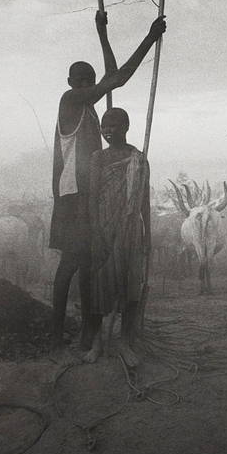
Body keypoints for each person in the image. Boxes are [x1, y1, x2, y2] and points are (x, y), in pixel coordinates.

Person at [49, 10, 165, 352]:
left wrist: (102, 33)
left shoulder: (87, 105)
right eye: (83, 82)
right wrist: (150, 37)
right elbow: (120, 79)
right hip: (72, 196)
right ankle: (60, 333)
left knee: (87, 263)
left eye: (89, 81)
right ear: (73, 84)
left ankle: (88, 330)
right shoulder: (70, 100)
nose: (88, 87)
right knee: (72, 263)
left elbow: (112, 76)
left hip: (85, 194)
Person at [85, 108, 150, 366]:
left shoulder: (139, 158)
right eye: (104, 126)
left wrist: (148, 237)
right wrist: (96, 232)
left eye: (113, 126)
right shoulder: (97, 158)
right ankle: (98, 343)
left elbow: (144, 200)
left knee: (130, 286)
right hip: (104, 228)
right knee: (100, 286)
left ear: (126, 126)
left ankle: (124, 342)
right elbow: (92, 199)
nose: (108, 131)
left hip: (131, 230)